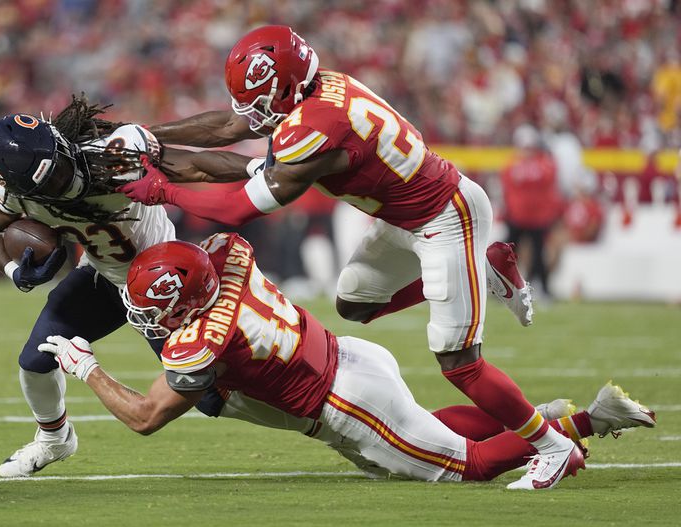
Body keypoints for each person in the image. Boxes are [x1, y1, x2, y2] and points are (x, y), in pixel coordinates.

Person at [119, 25, 578, 488]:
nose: (252, 112)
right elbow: (231, 126)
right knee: (355, 303)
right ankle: (484, 267)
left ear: (286, 85)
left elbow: (239, 207)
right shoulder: (315, 92)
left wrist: (163, 190)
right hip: (404, 220)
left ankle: (553, 446)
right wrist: (147, 137)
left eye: (260, 99)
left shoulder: (315, 125)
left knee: (459, 362)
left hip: (444, 218)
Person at [38, 234, 656, 486]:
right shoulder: (226, 257)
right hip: (351, 356)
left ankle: (579, 427)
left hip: (344, 403)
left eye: (157, 308)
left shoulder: (202, 340)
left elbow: (147, 416)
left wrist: (87, 368)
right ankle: (550, 418)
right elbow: (210, 246)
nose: (152, 320)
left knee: (463, 469)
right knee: (429, 433)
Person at [0, 96, 310, 478]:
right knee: (34, 361)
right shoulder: (14, 194)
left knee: (212, 398)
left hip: (163, 281)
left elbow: (193, 166)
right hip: (103, 277)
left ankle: (312, 412)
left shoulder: (111, 154)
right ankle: (54, 440)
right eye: (47, 180)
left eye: (59, 164)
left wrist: (255, 167)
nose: (62, 178)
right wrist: (14, 270)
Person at [499, 124, 564, 298]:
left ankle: (542, 288)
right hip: (518, 217)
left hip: (538, 218)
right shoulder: (514, 164)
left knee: (538, 255)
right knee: (509, 255)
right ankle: (502, 287)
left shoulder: (543, 164)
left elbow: (548, 179)